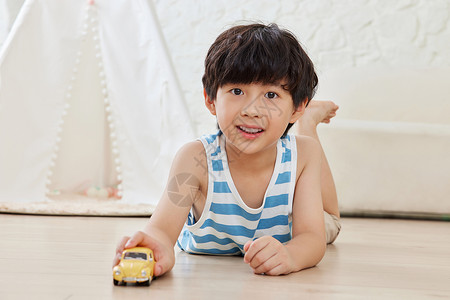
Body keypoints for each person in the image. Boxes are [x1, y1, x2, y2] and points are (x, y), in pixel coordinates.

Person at [113, 23, 341, 276]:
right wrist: (154, 244)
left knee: (328, 220)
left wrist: (291, 254)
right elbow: (161, 229)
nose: (251, 110)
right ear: (211, 99)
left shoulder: (302, 156)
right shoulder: (194, 159)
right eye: (237, 91)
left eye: (271, 95)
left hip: (294, 219)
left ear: (296, 107)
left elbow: (311, 238)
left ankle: (307, 123)